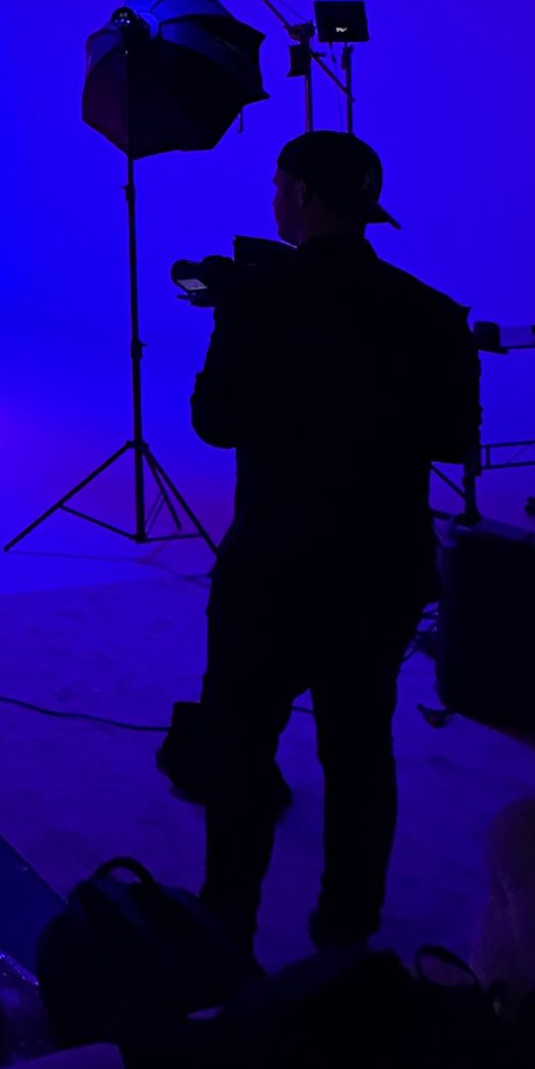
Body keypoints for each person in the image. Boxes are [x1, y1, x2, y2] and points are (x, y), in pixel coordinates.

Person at [190, 130, 479, 956]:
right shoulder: (431, 312)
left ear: (304, 196)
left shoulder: (254, 299)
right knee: (358, 752)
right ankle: (346, 936)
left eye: (277, 184)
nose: (272, 198)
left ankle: (225, 929)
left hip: (271, 564)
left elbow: (212, 422)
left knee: (240, 747)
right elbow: (454, 437)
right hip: (380, 569)